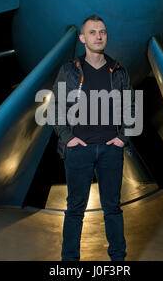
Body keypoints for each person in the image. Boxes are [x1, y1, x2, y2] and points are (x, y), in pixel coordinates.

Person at [52, 14, 136, 261]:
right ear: (82, 38)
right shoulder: (69, 70)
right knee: (75, 210)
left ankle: (118, 261)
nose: (98, 36)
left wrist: (123, 137)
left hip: (111, 150)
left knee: (113, 209)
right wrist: (68, 139)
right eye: (92, 32)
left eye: (102, 32)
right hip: (79, 150)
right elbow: (56, 107)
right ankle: (70, 263)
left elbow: (132, 107)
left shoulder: (118, 70)